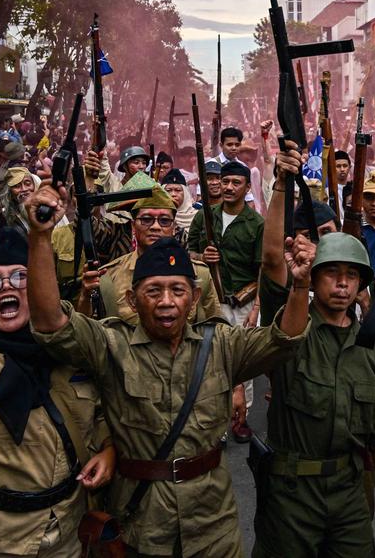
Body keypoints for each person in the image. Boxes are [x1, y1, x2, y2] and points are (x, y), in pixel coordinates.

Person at [25, 186, 311, 557]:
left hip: (213, 525)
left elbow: (284, 339)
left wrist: (300, 285)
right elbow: (51, 324)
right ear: (131, 300)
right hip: (142, 525)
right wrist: (40, 237)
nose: (166, 302)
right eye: (153, 291)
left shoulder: (220, 344)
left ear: (194, 299)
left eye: (177, 290)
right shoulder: (111, 343)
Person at [0, 228, 116, 557]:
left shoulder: (68, 355)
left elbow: (99, 409)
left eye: (21, 277)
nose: (6, 286)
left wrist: (108, 448)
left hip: (66, 532)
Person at [251, 233, 375, 558]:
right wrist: (298, 282)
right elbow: (272, 261)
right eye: (332, 272)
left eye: (352, 275)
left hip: (348, 492)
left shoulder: (369, 348)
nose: (342, 283)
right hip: (291, 494)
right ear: (315, 277)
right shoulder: (293, 332)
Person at [188, 159, 265, 440]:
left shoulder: (256, 223)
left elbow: (262, 270)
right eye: (225, 181)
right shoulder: (205, 217)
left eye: (236, 183)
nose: (229, 187)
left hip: (244, 302)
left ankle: (241, 417)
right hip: (211, 300)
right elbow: (188, 253)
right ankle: (217, 422)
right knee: (212, 360)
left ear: (247, 188)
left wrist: (256, 309)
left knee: (244, 362)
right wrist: (202, 257)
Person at [86, 185, 221, 328]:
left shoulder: (199, 274)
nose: (155, 227)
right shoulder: (110, 275)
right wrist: (85, 297)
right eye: (146, 219)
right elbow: (92, 331)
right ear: (133, 226)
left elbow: (216, 327)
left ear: (174, 228)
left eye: (164, 221)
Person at [161, 168, 196, 245]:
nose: (173, 194)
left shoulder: (197, 216)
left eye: (178, 190)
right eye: (168, 190)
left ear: (185, 193)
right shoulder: (156, 215)